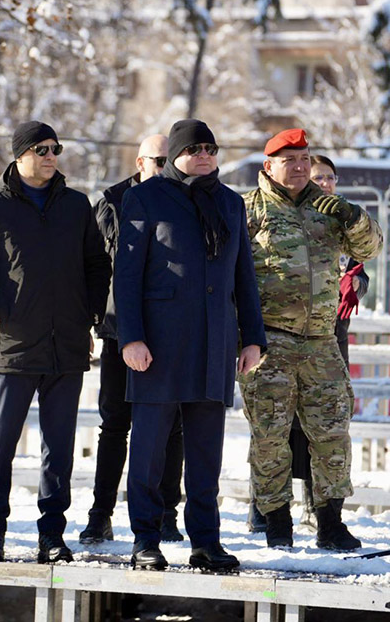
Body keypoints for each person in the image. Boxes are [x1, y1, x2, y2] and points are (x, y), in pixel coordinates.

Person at [0, 120, 111, 564]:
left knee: (58, 450)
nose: (50, 156)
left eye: (55, 148)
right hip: (15, 345)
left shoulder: (77, 206)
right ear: (19, 155)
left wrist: (92, 314)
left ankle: (52, 536)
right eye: (41, 149)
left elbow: (97, 267)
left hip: (68, 347)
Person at [115, 119, 265, 572]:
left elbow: (244, 277)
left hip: (214, 341)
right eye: (194, 148)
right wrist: (131, 337)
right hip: (158, 344)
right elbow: (127, 276)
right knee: (148, 451)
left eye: (211, 147)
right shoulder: (144, 197)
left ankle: (206, 542)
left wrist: (252, 337)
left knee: (205, 454)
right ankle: (146, 538)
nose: (204, 155)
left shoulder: (230, 203)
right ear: (177, 154)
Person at [240, 129, 382, 551]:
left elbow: (370, 248)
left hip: (321, 340)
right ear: (269, 166)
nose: (300, 167)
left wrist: (348, 213)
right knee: (270, 435)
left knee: (333, 433)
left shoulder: (329, 210)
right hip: (270, 342)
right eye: (290, 160)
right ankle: (276, 520)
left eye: (305, 159)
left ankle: (330, 522)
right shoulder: (248, 209)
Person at [79, 135, 185, 546]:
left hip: (172, 334)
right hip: (120, 331)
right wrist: (93, 322)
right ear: (140, 162)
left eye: (169, 159)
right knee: (115, 426)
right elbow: (95, 268)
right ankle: (100, 513)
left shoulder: (183, 199)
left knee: (170, 429)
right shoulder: (111, 202)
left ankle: (166, 515)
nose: (164, 166)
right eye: (158, 160)